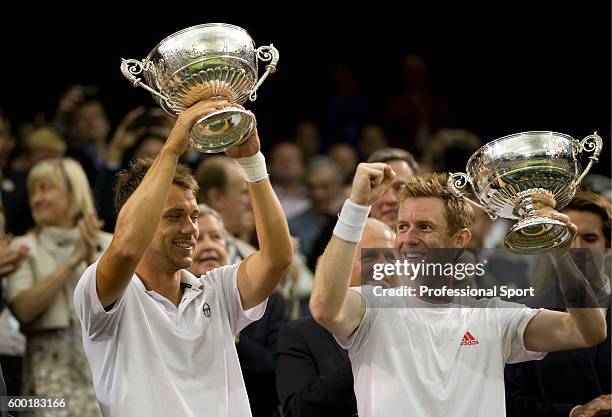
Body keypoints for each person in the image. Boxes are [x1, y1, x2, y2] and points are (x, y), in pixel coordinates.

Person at [309, 166, 607, 417]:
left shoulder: (494, 315)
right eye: (402, 227)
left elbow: (587, 332)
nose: (408, 239)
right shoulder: (371, 307)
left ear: (460, 239)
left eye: (424, 227)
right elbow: (324, 306)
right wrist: (356, 206)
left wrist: (558, 252)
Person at [74, 99, 293, 417]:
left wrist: (252, 163)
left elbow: (277, 257)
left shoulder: (216, 289)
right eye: (175, 216)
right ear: (143, 220)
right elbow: (124, 249)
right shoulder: (106, 295)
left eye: (192, 214)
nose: (191, 228)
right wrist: (172, 149)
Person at [5, 158, 111, 417]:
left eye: (45, 189)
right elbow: (23, 311)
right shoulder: (23, 247)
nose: (37, 199)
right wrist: (72, 261)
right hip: (47, 384)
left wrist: (89, 260)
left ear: (73, 193)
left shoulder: (109, 245)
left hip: (102, 375)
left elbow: (119, 307)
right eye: (32, 192)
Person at [505, 191, 611, 417]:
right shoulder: (525, 314)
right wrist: (573, 412)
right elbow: (509, 402)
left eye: (590, 238)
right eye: (568, 236)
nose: (578, 247)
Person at [276, 218, 394, 417]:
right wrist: (367, 359)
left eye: (391, 259)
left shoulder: (417, 328)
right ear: (338, 269)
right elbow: (298, 410)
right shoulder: (301, 335)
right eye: (370, 257)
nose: (384, 267)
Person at [187, 204, 288, 417]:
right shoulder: (170, 305)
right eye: (198, 239)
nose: (208, 246)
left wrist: (232, 335)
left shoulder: (270, 302)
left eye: (216, 237)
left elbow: (279, 373)